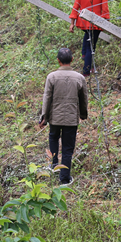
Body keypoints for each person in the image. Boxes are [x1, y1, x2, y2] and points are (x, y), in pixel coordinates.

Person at [38, 47, 88, 187]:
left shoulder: (52, 77)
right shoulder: (80, 78)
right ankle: (64, 179)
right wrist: (83, 114)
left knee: (53, 137)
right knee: (67, 147)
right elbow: (83, 99)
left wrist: (44, 117)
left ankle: (54, 166)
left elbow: (47, 98)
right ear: (72, 60)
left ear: (58, 61)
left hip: (55, 117)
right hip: (71, 119)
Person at [68, 0, 110, 77]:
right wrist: (106, 23)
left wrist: (72, 23)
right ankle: (86, 71)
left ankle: (83, 54)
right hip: (96, 24)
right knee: (91, 47)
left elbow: (75, 8)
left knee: (88, 36)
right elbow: (105, 10)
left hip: (82, 22)